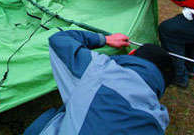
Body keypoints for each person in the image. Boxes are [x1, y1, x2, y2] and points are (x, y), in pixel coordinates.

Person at [23, 30, 173, 135]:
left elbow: (59, 40)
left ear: (132, 54)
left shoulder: (98, 70)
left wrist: (106, 39)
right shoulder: (159, 121)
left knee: (50, 117)